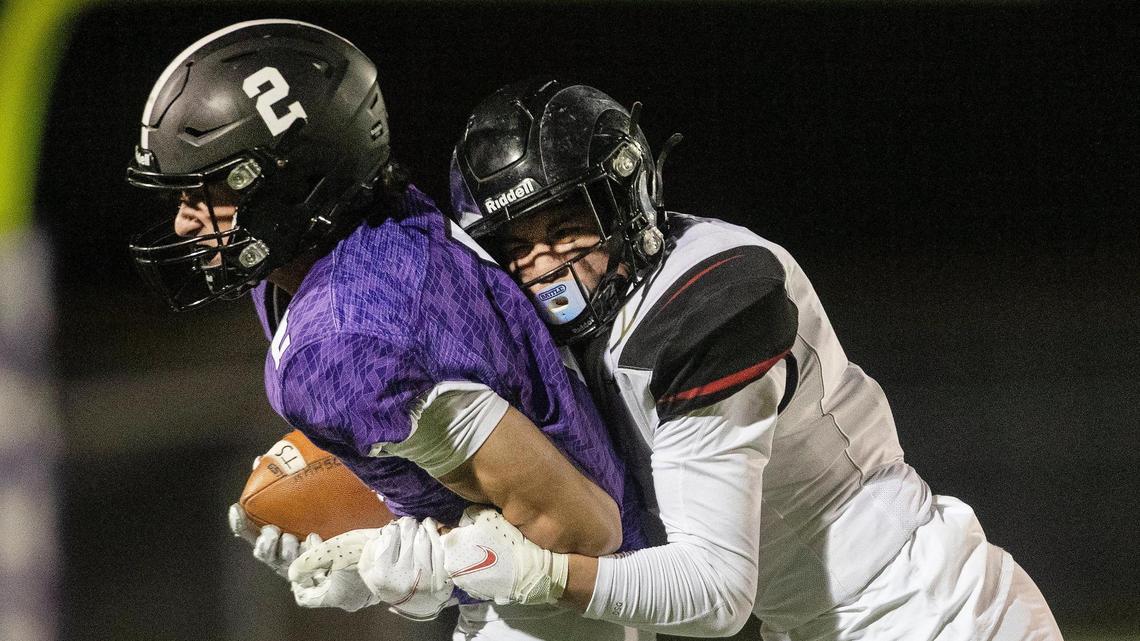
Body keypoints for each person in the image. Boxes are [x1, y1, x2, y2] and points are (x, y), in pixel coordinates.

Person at [439, 79, 1064, 641]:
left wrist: (535, 574)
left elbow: (712, 590)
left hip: (931, 615)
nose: (544, 266)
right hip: (819, 624)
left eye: (567, 228)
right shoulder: (564, 337)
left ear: (626, 200)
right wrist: (429, 560)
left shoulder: (709, 298)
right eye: (517, 246)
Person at [125, 23, 649, 640]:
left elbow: (581, 527)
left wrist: (403, 577)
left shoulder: (342, 339)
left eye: (208, 189)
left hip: (554, 614)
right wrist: (359, 510)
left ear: (291, 181)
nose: (186, 222)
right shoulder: (360, 231)